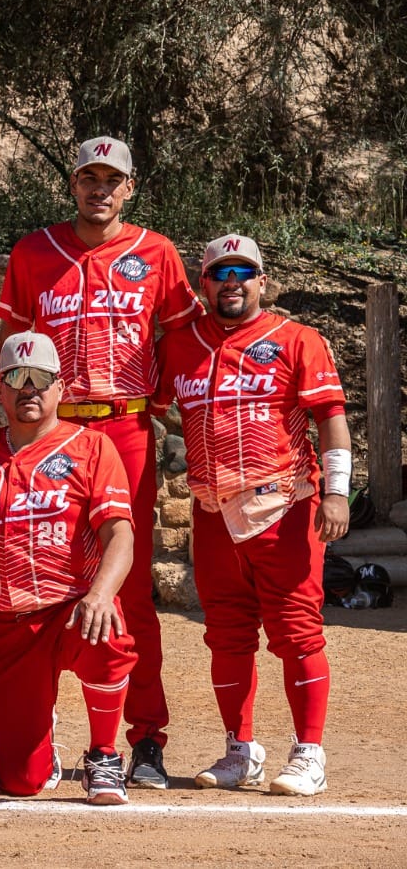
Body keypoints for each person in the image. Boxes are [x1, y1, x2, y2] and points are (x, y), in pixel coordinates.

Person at [0, 136, 202, 789]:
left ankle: (144, 738)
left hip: (128, 429)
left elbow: (186, 336)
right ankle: (43, 729)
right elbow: (10, 345)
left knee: (130, 591)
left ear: (130, 187)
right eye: (88, 177)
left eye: (112, 179)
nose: (99, 189)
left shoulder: (157, 253)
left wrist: (164, 408)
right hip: (50, 432)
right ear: (73, 183)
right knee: (42, 581)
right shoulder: (34, 253)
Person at [151, 235, 350, 796]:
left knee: (297, 631)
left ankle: (308, 752)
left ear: (263, 281)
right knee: (226, 634)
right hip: (212, 510)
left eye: (244, 271)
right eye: (219, 272)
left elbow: (330, 416)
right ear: (203, 283)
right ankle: (242, 749)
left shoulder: (297, 339)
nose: (231, 281)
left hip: (283, 505)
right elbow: (150, 415)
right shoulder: (180, 346)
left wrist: (337, 493)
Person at [0, 333, 139, 805]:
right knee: (19, 781)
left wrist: (99, 594)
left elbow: (120, 535)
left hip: (72, 607)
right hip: (7, 623)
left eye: (41, 378)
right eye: (16, 377)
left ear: (61, 389)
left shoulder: (92, 447)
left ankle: (104, 754)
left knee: (109, 629)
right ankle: (41, 740)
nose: (28, 388)